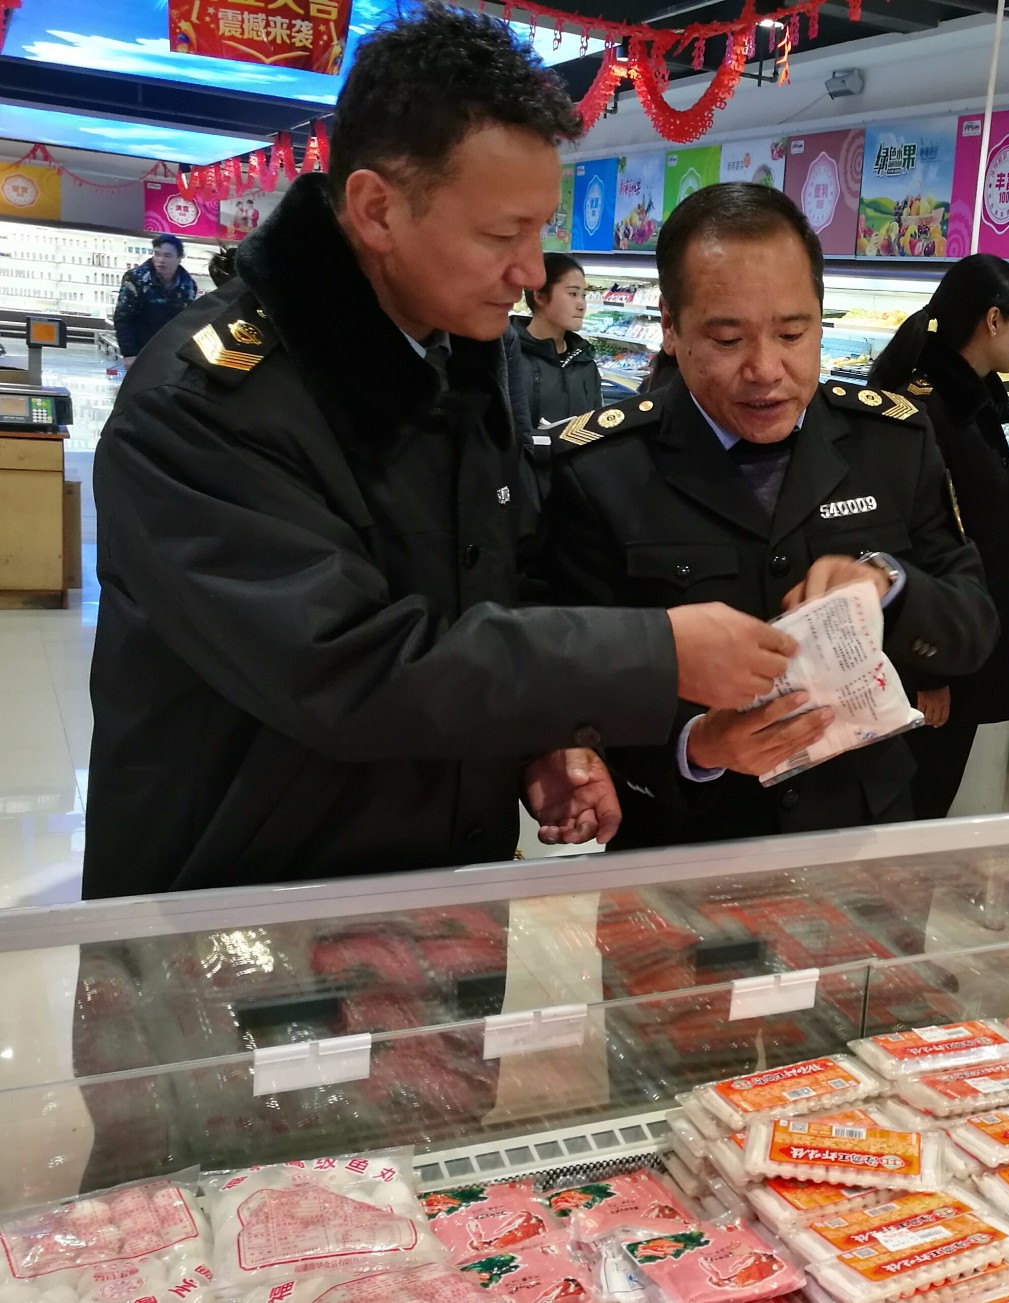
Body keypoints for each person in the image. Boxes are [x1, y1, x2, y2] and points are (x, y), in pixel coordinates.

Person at [86, 4, 793, 897]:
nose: (532, 272)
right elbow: (353, 668)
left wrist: (534, 738)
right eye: (502, 235)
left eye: (539, 231)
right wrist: (656, 656)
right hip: (242, 916)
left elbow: (484, 590)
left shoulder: (459, 349)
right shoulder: (203, 407)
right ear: (377, 208)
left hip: (436, 898)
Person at [540, 182, 999, 850]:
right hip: (682, 854)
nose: (766, 369)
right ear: (670, 327)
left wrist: (889, 585)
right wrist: (697, 744)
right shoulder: (600, 470)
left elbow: (972, 627)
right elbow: (568, 682)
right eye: (727, 338)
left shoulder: (891, 442)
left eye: (792, 333)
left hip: (862, 842)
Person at [867, 254, 1009, 818]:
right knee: (913, 809)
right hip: (927, 659)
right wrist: (930, 670)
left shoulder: (963, 402)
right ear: (992, 320)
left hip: (954, 642)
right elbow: (911, 545)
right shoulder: (935, 413)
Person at [514, 251, 601, 497]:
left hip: (578, 494)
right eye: (572, 293)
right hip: (525, 494)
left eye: (584, 295)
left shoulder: (585, 362)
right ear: (540, 296)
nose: (582, 304)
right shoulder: (511, 359)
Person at [113, 233, 196, 364]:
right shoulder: (136, 278)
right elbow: (123, 317)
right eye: (157, 254)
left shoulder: (189, 286)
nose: (161, 260)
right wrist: (129, 353)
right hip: (140, 351)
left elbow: (186, 324)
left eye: (167, 256)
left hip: (171, 354)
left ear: (179, 258)